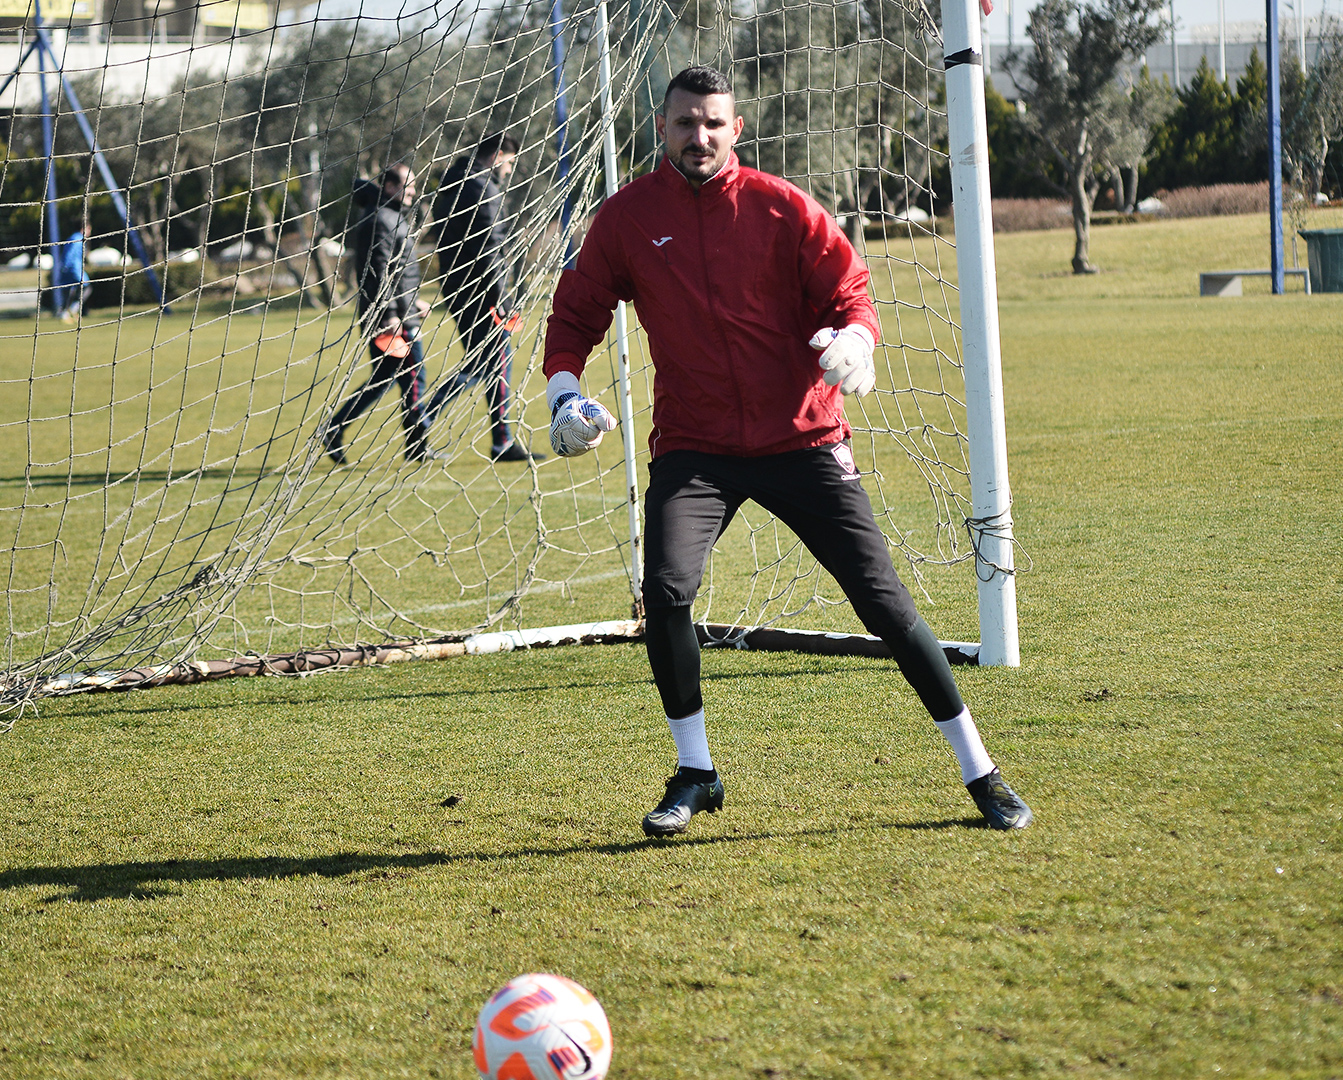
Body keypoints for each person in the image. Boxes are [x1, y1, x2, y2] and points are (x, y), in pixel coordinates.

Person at [542, 66, 1033, 837]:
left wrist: (858, 341)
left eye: (712, 123)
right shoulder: (627, 218)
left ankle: (982, 771)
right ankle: (696, 772)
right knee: (665, 594)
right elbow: (574, 315)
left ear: (736, 130)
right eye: (683, 123)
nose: (697, 136)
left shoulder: (782, 207)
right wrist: (564, 395)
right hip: (695, 448)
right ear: (660, 130)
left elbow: (853, 294)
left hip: (804, 440)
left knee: (886, 607)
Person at [428, 132, 541, 462]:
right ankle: (423, 419)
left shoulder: (455, 179)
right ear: (499, 154)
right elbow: (489, 246)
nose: (510, 170)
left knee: (489, 362)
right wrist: (502, 297)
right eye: (510, 162)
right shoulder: (481, 187)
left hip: (459, 285)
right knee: (491, 360)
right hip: (479, 290)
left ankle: (500, 440)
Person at [325, 164, 438, 465]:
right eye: (408, 186)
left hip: (402, 312)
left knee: (386, 379)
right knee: (415, 377)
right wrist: (389, 315)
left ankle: (335, 428)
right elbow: (378, 272)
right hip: (391, 319)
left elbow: (400, 274)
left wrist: (414, 303)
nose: (413, 191)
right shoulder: (382, 220)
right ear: (389, 186)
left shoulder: (392, 218)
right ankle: (417, 446)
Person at [54, 221, 92, 321]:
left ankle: (64, 312)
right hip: (73, 268)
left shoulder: (72, 237)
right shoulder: (78, 239)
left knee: (68, 290)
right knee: (86, 287)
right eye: (89, 229)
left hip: (67, 268)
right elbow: (70, 254)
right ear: (84, 229)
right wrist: (67, 266)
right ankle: (73, 309)